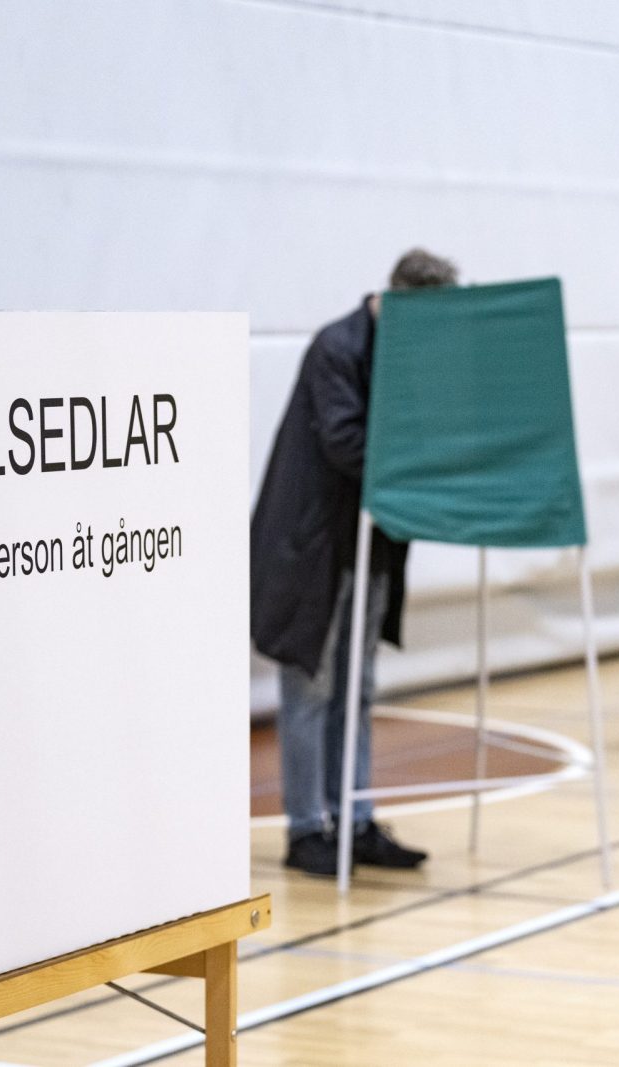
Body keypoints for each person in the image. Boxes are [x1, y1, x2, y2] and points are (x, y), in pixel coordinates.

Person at [251, 249, 457, 876]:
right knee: (311, 684)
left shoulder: (408, 349)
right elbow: (345, 442)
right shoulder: (337, 348)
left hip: (370, 539)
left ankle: (356, 817)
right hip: (315, 543)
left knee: (358, 686)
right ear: (399, 301)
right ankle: (307, 827)